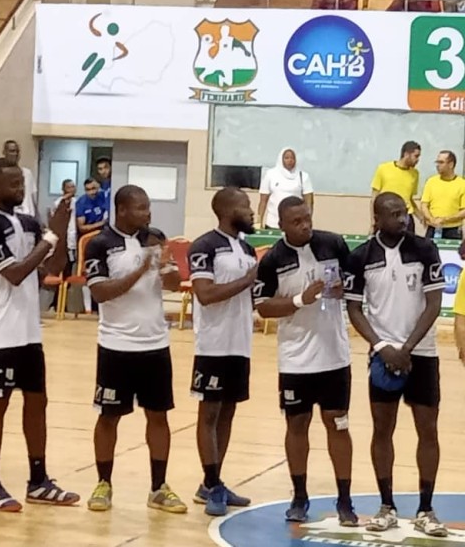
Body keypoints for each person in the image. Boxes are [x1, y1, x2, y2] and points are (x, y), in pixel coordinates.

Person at [0, 157, 79, 511]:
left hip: (28, 332)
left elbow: (53, 268)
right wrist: (48, 238)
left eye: (22, 184)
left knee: (37, 402)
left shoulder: (30, 223)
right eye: (13, 184)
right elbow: (15, 273)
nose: (19, 189)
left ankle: (39, 480)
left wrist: (59, 232)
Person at [345, 192, 448, 538]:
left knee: (427, 430)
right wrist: (383, 347)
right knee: (382, 430)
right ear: (377, 218)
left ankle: (426, 508)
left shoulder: (424, 249)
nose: (402, 219)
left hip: (422, 353)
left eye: (404, 213)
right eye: (393, 214)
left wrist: (406, 348)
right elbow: (355, 310)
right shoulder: (361, 256)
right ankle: (386, 505)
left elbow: (433, 303)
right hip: (383, 356)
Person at [254, 197, 356, 526]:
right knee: (296, 426)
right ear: (281, 224)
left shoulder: (333, 243)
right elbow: (263, 307)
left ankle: (345, 500)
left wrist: (345, 289)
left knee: (337, 424)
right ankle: (299, 496)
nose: (305, 226)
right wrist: (300, 299)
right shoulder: (272, 260)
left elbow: (355, 281)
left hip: (334, 356)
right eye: (296, 221)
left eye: (307, 218)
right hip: (296, 360)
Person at [84, 186, 185, 514]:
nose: (148, 213)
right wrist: (141, 269)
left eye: (148, 207)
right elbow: (100, 293)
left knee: (159, 416)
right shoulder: (101, 244)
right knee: (109, 417)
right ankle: (104, 483)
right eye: (141, 208)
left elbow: (172, 284)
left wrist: (166, 266)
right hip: (116, 345)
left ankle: (158, 487)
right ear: (122, 210)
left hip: (155, 343)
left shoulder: (155, 236)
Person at [188, 188, 257, 517]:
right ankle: (212, 483)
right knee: (210, 414)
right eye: (246, 206)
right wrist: (248, 280)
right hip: (213, 344)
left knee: (228, 413)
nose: (252, 211)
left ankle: (212, 482)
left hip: (240, 343)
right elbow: (204, 294)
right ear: (229, 210)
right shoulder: (204, 246)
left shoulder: (246, 248)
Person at [371, 141, 421, 235]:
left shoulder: (415, 174)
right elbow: (374, 197)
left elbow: (409, 199)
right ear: (406, 154)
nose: (418, 160)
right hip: (386, 216)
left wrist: (421, 217)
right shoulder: (383, 169)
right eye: (416, 156)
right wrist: (373, 220)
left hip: (406, 217)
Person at [257, 148, 314, 230]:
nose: (290, 160)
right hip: (273, 223)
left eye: (292, 158)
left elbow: (309, 202)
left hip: (296, 224)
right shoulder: (270, 174)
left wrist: (308, 221)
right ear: (281, 159)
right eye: (286, 158)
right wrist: (259, 222)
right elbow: (263, 201)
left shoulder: (303, 176)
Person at [420, 150, 465, 240]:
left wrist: (445, 219)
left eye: (441, 162)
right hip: (433, 228)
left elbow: (463, 211)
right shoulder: (431, 181)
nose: (438, 165)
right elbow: (424, 205)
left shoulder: (462, 184)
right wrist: (431, 219)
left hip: (453, 230)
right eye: (437, 162)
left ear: (451, 164)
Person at [0, 140, 37, 217]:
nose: (15, 154)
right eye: (12, 151)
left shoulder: (27, 173)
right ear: (4, 152)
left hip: (28, 216)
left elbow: (32, 200)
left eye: (17, 151)